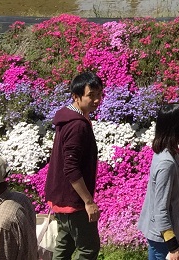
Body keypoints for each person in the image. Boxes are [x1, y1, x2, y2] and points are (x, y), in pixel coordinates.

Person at [45, 70, 104, 260]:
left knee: (64, 244)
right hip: (73, 201)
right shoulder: (77, 125)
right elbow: (71, 167)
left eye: (99, 95)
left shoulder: (69, 118)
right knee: (88, 249)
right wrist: (88, 201)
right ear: (76, 97)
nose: (96, 100)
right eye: (91, 96)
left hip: (61, 197)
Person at [137, 102, 179, 260]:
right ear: (177, 126)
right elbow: (161, 209)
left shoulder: (169, 151)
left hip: (159, 233)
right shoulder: (166, 162)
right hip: (162, 237)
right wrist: (173, 246)